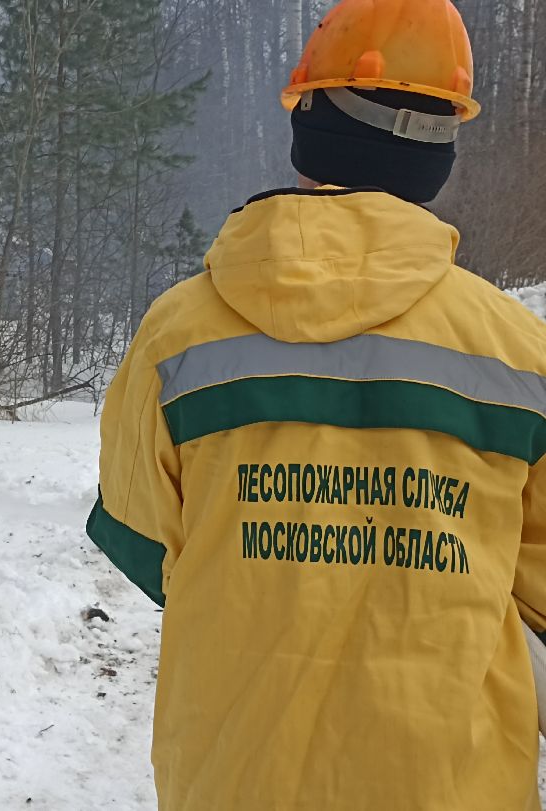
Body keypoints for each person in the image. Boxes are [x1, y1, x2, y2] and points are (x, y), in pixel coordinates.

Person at [86, 1, 546, 808]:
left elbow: (147, 542)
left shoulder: (178, 336)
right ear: (440, 155)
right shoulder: (518, 355)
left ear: (309, 128)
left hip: (231, 782)